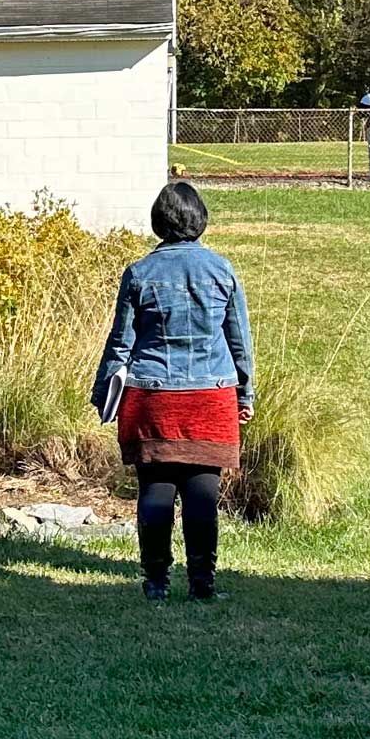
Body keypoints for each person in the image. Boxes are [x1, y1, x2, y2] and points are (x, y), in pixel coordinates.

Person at [94, 181, 254, 603]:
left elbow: (121, 343)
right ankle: (202, 582)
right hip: (211, 395)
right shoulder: (222, 270)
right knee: (203, 494)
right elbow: (239, 341)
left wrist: (104, 394)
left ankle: (155, 581)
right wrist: (245, 395)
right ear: (200, 220)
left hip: (152, 396)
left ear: (158, 222)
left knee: (154, 490)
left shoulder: (139, 273)